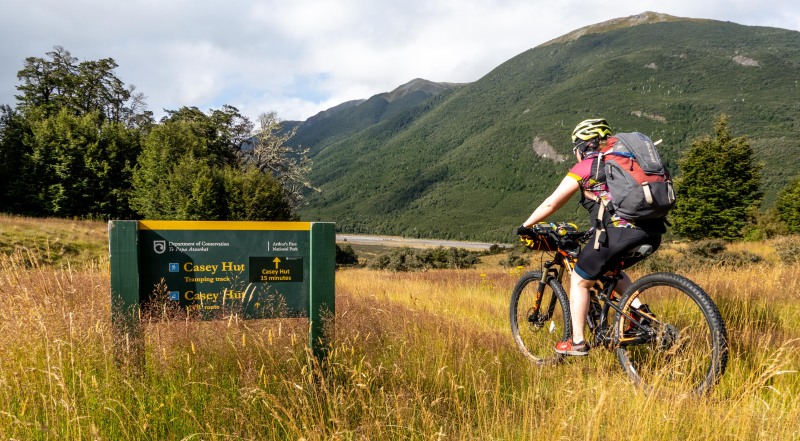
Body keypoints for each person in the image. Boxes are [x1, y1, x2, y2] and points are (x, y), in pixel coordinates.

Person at [516, 118, 666, 356]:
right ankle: (642, 315)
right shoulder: (627, 162)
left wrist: (525, 226)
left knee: (579, 279)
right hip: (653, 232)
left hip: (620, 233)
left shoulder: (587, 166)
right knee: (610, 270)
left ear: (582, 146)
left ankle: (576, 342)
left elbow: (552, 203)